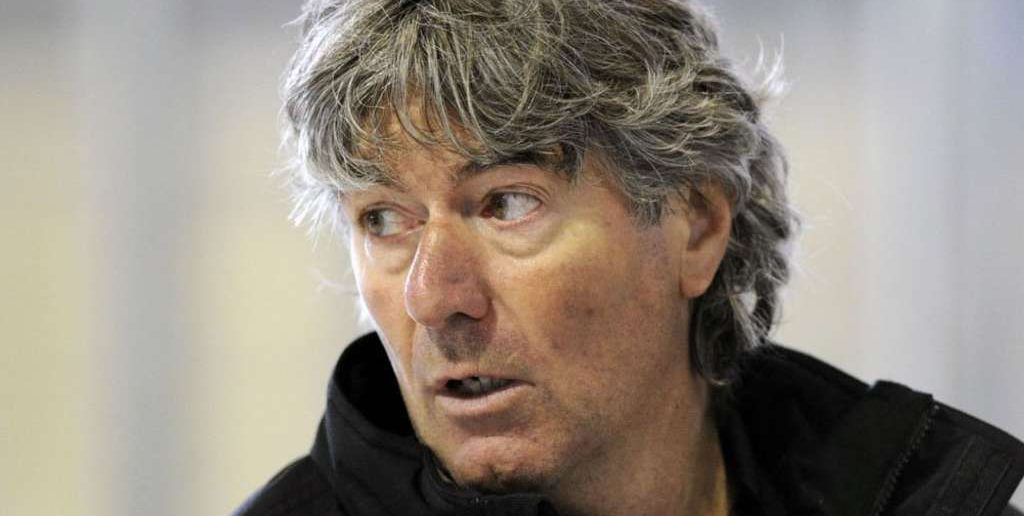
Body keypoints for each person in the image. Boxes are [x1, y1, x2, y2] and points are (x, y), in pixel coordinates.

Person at [235, 0, 1024, 514]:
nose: (434, 296)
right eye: (384, 220)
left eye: (508, 203)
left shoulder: (904, 494)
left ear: (697, 225)